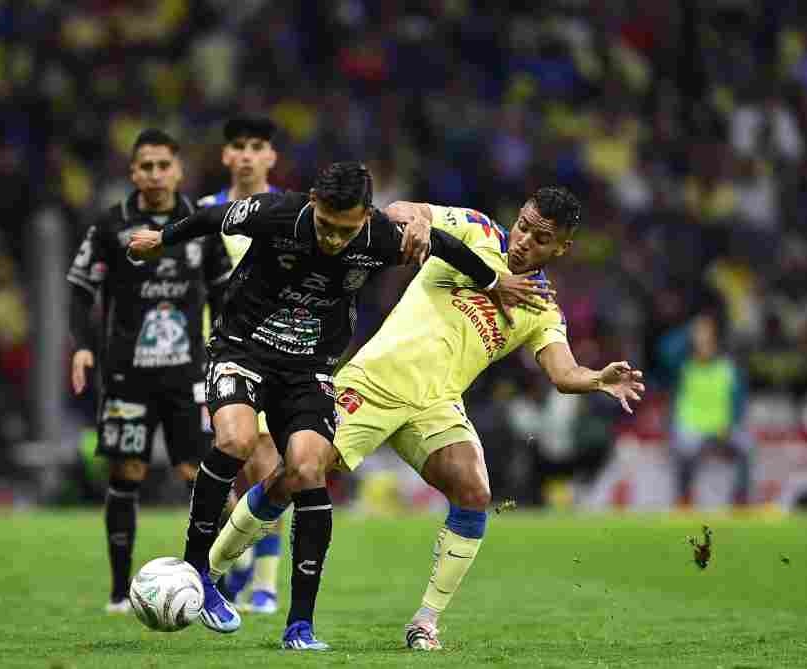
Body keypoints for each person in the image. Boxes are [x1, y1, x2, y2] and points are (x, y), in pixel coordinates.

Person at [207, 187, 645, 650]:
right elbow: (402, 211)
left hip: (435, 406)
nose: (523, 240)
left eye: (540, 238)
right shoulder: (475, 231)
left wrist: (597, 379)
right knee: (295, 474)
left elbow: (563, 372)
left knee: (474, 490)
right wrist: (416, 223)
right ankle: (208, 573)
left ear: (561, 248)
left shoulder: (541, 309)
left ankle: (425, 622)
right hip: (372, 384)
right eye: (523, 225)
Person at [128, 161, 544, 648]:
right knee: (237, 438)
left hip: (309, 369)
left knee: (308, 469)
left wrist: (494, 284)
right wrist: (162, 238)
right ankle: (198, 570)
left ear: (366, 216)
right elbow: (213, 218)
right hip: (243, 347)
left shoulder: (380, 237)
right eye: (325, 225)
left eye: (344, 230)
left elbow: (449, 248)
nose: (331, 239)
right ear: (311, 202)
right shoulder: (277, 212)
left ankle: (299, 626)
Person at [67, 128, 232, 614]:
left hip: (189, 375)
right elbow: (80, 289)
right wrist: (82, 346)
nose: (156, 174)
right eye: (147, 166)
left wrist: (228, 346)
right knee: (128, 471)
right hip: (127, 374)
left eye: (164, 165)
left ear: (178, 170)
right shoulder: (109, 226)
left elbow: (224, 293)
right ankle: (120, 592)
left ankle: (216, 579)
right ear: (133, 171)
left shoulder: (200, 224)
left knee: (198, 474)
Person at [197, 116, 284, 614]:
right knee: (215, 469)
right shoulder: (205, 214)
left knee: (269, 468)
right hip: (216, 356)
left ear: (270, 156)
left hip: (274, 352)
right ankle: (240, 556)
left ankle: (265, 586)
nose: (248, 155)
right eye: (238, 147)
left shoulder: (288, 211)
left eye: (258, 147)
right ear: (226, 156)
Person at [659, 312, 751, 507]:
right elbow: (664, 350)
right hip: (691, 427)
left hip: (722, 427)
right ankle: (684, 500)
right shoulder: (683, 366)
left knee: (747, 446)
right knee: (684, 447)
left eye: (708, 339)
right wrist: (688, 331)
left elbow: (740, 401)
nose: (704, 345)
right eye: (700, 339)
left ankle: (740, 501)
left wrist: (732, 423)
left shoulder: (728, 368)